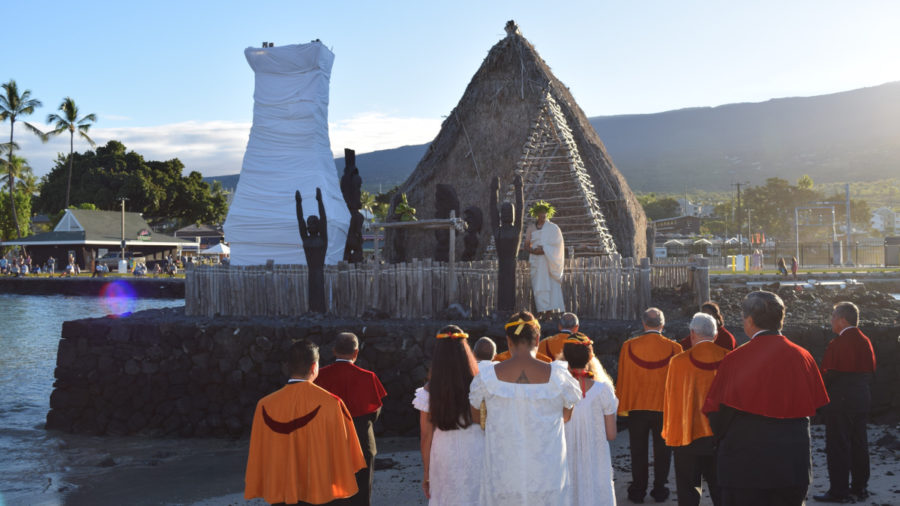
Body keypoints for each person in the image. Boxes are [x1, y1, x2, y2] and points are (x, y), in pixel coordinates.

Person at [703, 291, 829, 506]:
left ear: (750, 320)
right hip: (793, 464)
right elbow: (817, 406)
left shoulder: (735, 359)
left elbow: (717, 411)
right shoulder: (803, 356)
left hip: (745, 465)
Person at [469, 311, 581, 505]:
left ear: (508, 341)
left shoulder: (486, 377)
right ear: (537, 339)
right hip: (547, 472)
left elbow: (477, 419)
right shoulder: (559, 377)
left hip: (504, 472)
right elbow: (566, 416)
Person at [245, 339, 365, 505]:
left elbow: (260, 452)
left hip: (283, 488)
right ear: (314, 367)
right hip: (321, 489)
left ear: (287, 367)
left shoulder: (265, 405)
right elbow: (347, 453)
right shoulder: (332, 403)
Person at [616, 307, 682, 503]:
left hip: (637, 406)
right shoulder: (674, 349)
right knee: (663, 452)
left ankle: (638, 491)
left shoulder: (628, 346)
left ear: (644, 323)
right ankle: (660, 490)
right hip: (664, 407)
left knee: (637, 451)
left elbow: (623, 377)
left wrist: (622, 405)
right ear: (663, 324)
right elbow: (679, 382)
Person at [413, 325, 484, 505]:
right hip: (476, 448)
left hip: (443, 452)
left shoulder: (429, 392)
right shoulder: (479, 385)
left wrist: (427, 474)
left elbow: (426, 436)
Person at [663, 313, 729, 506]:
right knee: (722, 490)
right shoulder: (729, 358)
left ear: (692, 334)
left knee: (688, 491)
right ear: (715, 335)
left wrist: (671, 434)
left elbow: (672, 400)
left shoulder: (679, 362)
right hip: (721, 436)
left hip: (688, 435)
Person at [813, 302, 876, 503]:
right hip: (862, 398)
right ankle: (860, 487)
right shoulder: (865, 340)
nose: (831, 321)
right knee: (859, 444)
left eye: (833, 317)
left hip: (841, 402)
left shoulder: (838, 344)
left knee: (838, 446)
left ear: (842, 320)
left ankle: (839, 491)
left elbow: (829, 374)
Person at [315, 333, 387, 506]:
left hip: (328, 442)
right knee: (361, 496)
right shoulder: (368, 377)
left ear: (334, 351)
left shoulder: (319, 377)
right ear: (356, 353)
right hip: (362, 441)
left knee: (331, 496)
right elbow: (374, 412)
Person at [563, 333, 618, 506]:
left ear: (566, 357)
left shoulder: (557, 388)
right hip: (596, 460)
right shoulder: (604, 391)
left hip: (565, 460)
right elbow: (611, 435)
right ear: (590, 356)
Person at [524, 201, 565, 314]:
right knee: (538, 286)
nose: (543, 215)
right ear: (536, 214)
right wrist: (534, 251)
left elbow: (558, 245)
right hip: (536, 261)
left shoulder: (553, 228)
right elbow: (526, 245)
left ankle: (549, 312)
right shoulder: (531, 228)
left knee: (550, 285)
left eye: (545, 213)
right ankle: (541, 311)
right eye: (540, 213)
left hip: (548, 260)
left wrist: (545, 249)